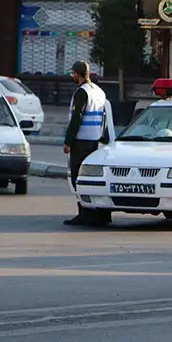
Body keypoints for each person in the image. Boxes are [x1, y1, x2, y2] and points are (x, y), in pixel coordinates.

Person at [63, 61, 111, 227]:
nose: (73, 77)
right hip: (95, 141)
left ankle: (84, 213)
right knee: (93, 178)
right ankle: (101, 213)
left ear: (77, 74)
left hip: (81, 141)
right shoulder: (98, 91)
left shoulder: (82, 93)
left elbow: (77, 118)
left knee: (79, 178)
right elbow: (104, 117)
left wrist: (68, 141)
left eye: (73, 74)